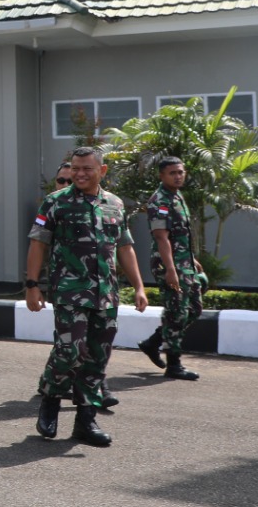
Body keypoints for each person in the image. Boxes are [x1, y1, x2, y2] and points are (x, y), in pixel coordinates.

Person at [24, 145, 148, 446]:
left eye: (86, 169)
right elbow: (38, 243)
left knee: (97, 356)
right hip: (69, 291)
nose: (79, 174)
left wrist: (140, 286)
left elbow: (125, 247)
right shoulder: (56, 203)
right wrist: (32, 284)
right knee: (70, 350)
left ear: (101, 171)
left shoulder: (115, 204)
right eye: (75, 169)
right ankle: (51, 399)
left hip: (106, 294)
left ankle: (85, 420)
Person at [137, 156, 206, 381]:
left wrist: (191, 258)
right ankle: (174, 364)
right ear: (162, 175)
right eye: (172, 173)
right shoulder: (160, 200)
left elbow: (181, 235)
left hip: (184, 263)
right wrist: (170, 269)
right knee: (176, 312)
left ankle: (153, 342)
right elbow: (161, 237)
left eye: (180, 172)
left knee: (194, 309)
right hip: (169, 265)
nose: (178, 176)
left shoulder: (177, 196)